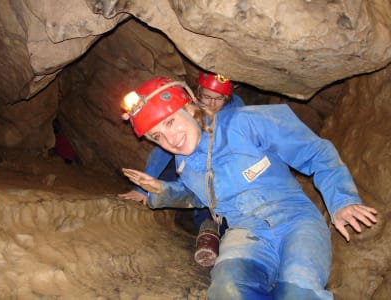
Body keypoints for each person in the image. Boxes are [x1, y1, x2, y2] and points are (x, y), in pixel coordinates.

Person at [119, 77, 377, 299]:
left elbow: (314, 152)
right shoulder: (185, 163)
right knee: (227, 288)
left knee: (299, 292)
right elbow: (199, 197)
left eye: (170, 122)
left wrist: (342, 200)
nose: (169, 139)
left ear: (190, 108)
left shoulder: (246, 123)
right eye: (157, 136)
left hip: (296, 221)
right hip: (246, 231)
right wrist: (160, 190)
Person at [119, 71, 244, 236]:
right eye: (207, 97)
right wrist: (143, 190)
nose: (212, 103)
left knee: (213, 191)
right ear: (198, 93)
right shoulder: (189, 110)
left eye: (219, 98)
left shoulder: (237, 113)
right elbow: (161, 154)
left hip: (224, 164)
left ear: (228, 98)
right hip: (190, 161)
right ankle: (207, 230)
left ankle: (219, 230)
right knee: (173, 171)